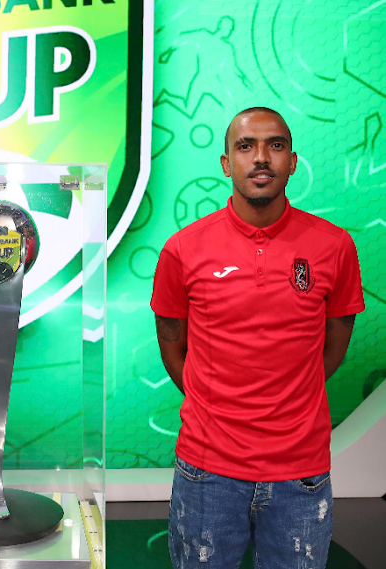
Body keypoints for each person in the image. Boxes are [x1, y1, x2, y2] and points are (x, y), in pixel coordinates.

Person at [151, 107, 364, 569]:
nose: (261, 158)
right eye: (246, 147)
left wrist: (289, 394)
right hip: (207, 471)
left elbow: (334, 347)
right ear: (227, 163)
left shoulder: (335, 246)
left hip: (301, 473)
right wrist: (216, 401)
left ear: (291, 160)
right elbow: (172, 343)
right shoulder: (183, 249)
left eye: (275, 145)